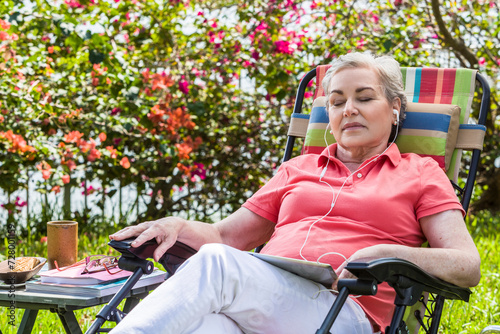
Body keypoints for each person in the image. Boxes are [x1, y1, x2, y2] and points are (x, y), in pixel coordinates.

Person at [108, 52, 481, 334]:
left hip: (346, 311)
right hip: (269, 305)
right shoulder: (297, 169)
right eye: (336, 103)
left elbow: (467, 265)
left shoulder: (420, 172)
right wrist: (175, 225)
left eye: (364, 98)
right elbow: (224, 236)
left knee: (215, 265)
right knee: (206, 324)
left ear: (395, 108)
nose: (349, 110)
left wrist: (386, 253)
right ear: (329, 118)